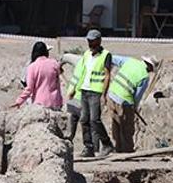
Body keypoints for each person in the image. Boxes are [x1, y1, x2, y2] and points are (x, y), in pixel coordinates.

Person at [68, 30, 114, 158]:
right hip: (84, 90)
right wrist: (75, 88)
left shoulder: (106, 55)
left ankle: (107, 143)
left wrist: (104, 94)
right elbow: (82, 72)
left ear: (99, 41)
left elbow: (107, 75)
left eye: (92, 41)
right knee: (84, 120)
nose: (90, 43)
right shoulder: (87, 54)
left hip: (96, 92)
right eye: (88, 41)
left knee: (95, 120)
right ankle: (88, 147)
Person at [107, 55, 157, 153]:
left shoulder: (130, 61)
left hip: (111, 95)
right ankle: (127, 150)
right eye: (151, 70)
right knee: (127, 127)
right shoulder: (144, 77)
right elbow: (137, 97)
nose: (150, 72)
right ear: (149, 67)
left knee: (116, 123)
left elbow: (112, 58)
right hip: (124, 100)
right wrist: (134, 108)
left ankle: (118, 148)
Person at [12, 42, 63, 109]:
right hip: (55, 102)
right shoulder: (54, 63)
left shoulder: (32, 67)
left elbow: (29, 89)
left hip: (40, 104)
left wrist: (19, 101)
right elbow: (60, 74)